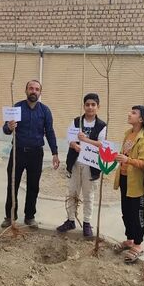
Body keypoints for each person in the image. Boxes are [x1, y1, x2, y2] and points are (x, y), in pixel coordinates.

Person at [1, 79, 60, 229]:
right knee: (12, 184)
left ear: (40, 92)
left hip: (36, 154)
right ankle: (10, 216)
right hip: (18, 153)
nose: (33, 91)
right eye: (31, 88)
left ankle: (29, 216)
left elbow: (50, 132)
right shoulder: (17, 108)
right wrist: (9, 126)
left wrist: (55, 152)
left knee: (33, 186)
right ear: (26, 90)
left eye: (36, 89)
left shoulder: (45, 111)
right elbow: (6, 130)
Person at [56, 93, 106, 237]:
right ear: (84, 106)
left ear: (98, 107)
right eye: (87, 104)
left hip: (91, 165)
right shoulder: (76, 121)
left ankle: (86, 223)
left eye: (93, 105)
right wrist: (74, 145)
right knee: (72, 192)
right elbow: (70, 139)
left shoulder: (102, 125)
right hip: (75, 162)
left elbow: (102, 144)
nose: (90, 107)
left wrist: (85, 141)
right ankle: (71, 219)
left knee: (88, 194)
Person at [113, 105, 144, 263]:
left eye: (133, 113)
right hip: (125, 179)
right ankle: (130, 239)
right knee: (126, 211)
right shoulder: (128, 134)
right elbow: (125, 154)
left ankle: (138, 245)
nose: (129, 114)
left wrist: (127, 160)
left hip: (136, 183)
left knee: (137, 214)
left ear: (141, 119)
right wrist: (119, 157)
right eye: (130, 111)